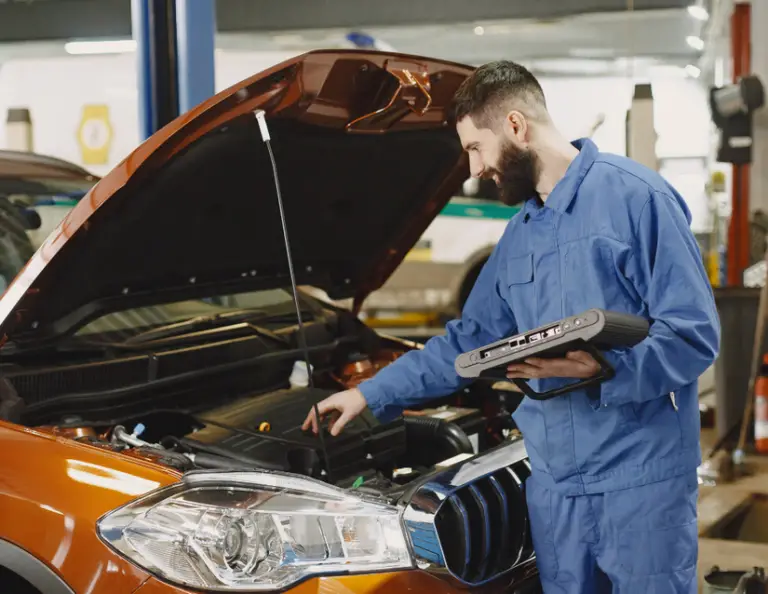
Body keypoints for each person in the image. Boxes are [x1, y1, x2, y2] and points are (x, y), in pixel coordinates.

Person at [303, 61, 720, 593]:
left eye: (477, 148)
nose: (474, 169)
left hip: (638, 481)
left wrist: (606, 368)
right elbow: (465, 341)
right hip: (554, 487)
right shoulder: (521, 235)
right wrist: (368, 394)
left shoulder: (637, 199)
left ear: (517, 126)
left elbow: (693, 333)